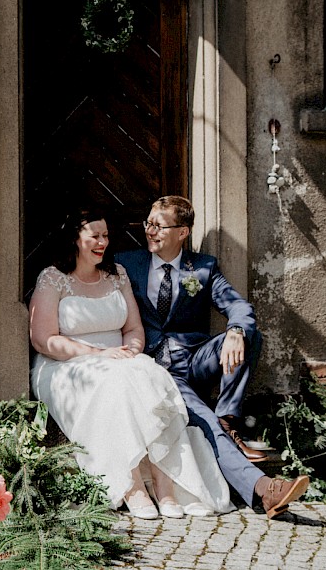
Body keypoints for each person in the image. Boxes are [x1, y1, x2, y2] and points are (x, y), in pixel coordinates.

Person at [29, 208, 233, 519]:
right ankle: (133, 485)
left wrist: (133, 350)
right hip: (66, 364)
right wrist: (95, 354)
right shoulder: (53, 278)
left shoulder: (118, 274)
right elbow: (44, 340)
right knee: (118, 382)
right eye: (94, 236)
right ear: (75, 239)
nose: (102, 242)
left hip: (120, 359)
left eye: (106, 236)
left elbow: (134, 329)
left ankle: (165, 485)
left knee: (151, 374)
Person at [114, 195, 309, 519]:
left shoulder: (202, 268)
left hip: (197, 359)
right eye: (147, 223)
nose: (149, 231)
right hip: (160, 372)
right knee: (203, 421)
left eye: (158, 226)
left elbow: (238, 306)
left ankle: (228, 416)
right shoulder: (126, 263)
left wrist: (235, 330)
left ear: (183, 232)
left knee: (248, 335)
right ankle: (265, 490)